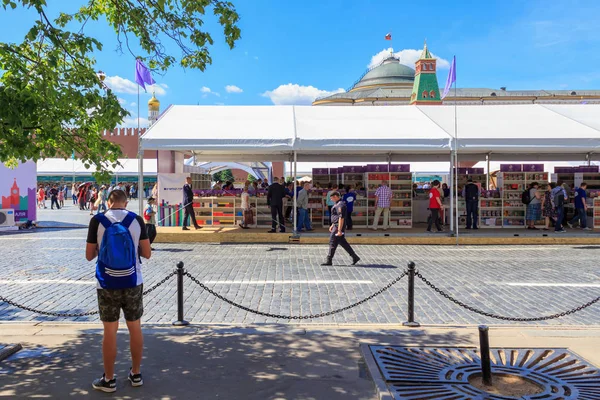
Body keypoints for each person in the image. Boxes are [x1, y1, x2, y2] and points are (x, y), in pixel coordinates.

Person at [85, 189, 150, 393]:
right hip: (133, 280)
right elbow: (147, 254)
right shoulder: (136, 220)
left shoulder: (97, 220)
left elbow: (88, 256)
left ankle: (109, 379)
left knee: (110, 331)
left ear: (109, 202)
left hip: (106, 283)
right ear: (126, 202)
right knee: (135, 327)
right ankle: (136, 373)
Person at [321, 191, 360, 266]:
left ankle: (329, 259)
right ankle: (355, 257)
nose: (331, 200)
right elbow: (335, 216)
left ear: (335, 196)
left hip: (338, 227)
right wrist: (332, 224)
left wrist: (339, 230)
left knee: (332, 242)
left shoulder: (340, 205)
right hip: (336, 225)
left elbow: (341, 218)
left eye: (332, 198)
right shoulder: (337, 204)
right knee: (343, 243)